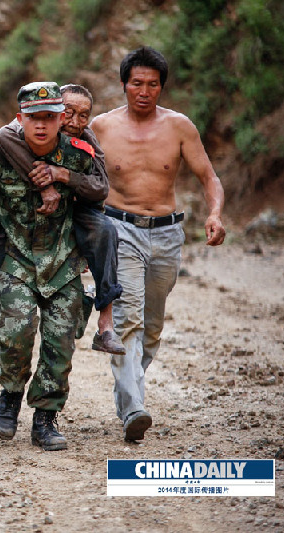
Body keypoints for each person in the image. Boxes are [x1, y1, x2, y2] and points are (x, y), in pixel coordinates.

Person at [90, 46, 226, 441]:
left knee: (151, 328)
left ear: (162, 87)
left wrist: (215, 213)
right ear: (123, 84)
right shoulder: (101, 127)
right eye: (137, 84)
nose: (144, 91)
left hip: (167, 233)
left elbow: (209, 178)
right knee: (127, 319)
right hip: (119, 229)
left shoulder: (180, 127)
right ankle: (134, 407)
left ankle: (126, 392)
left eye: (152, 84)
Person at [0, 84, 125, 377]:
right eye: (68, 113)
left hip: (73, 212)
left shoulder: (83, 143)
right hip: (15, 217)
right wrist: (44, 184)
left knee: (105, 230)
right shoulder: (20, 131)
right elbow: (2, 137)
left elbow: (101, 186)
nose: (74, 122)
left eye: (83, 116)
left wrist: (62, 175)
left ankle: (106, 323)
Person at [0, 82, 99, 451]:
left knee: (60, 343)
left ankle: (46, 417)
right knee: (15, 334)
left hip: (63, 262)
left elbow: (99, 190)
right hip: (15, 260)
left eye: (49, 118)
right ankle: (10, 394)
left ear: (60, 119)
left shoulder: (78, 154)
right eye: (33, 118)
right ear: (20, 118)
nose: (41, 125)